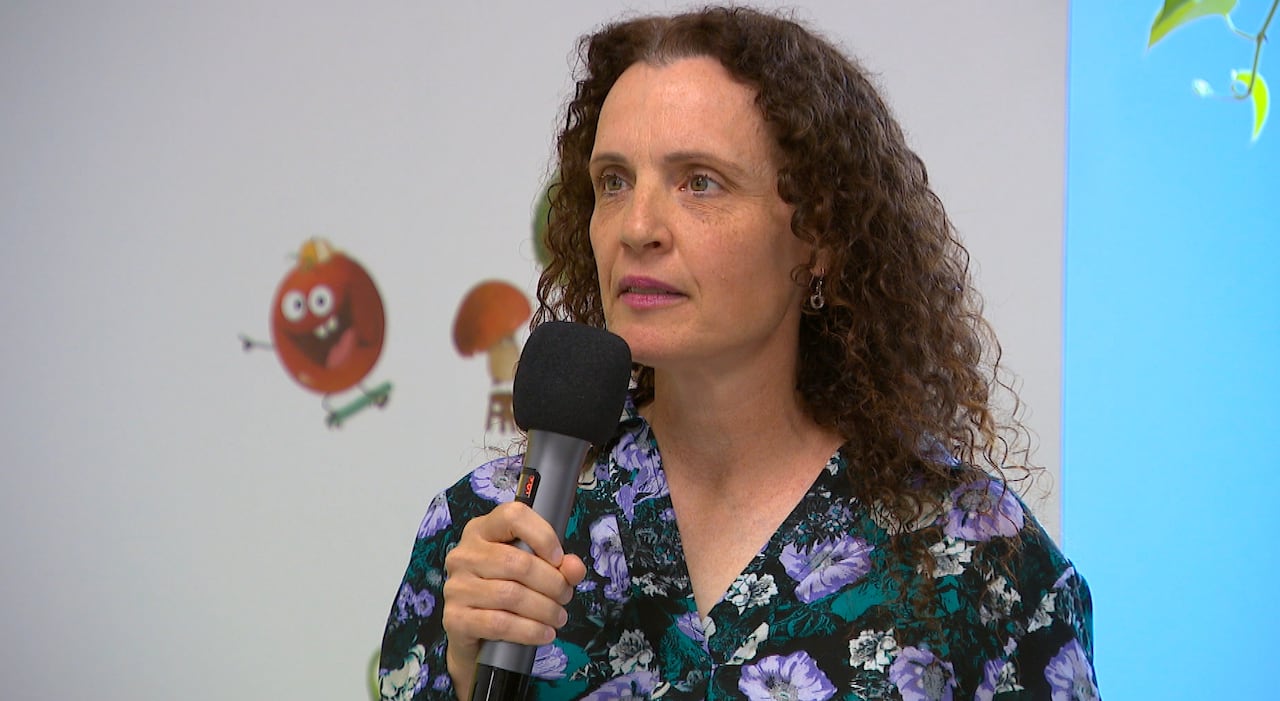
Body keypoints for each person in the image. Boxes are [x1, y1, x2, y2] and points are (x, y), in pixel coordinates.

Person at [379, 7, 1098, 700]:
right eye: (614, 182)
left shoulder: (971, 550)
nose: (638, 227)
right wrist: (468, 676)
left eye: (700, 182)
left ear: (817, 233)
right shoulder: (487, 530)